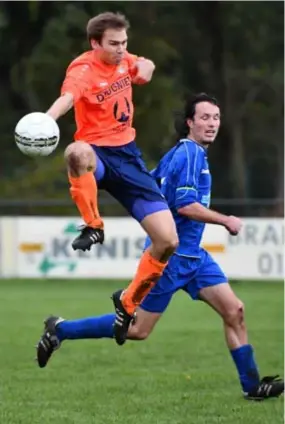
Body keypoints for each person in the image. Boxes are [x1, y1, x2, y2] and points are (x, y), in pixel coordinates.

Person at [36, 93, 284, 401]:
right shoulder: (190, 153)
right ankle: (60, 330)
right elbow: (185, 206)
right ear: (189, 123)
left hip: (195, 257)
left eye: (216, 118)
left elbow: (150, 188)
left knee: (235, 311)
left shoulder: (177, 155)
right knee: (138, 329)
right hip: (170, 258)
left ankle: (252, 385)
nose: (212, 124)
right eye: (204, 118)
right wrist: (226, 220)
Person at [42, 11, 178, 346]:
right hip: (98, 156)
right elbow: (68, 98)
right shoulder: (83, 69)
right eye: (113, 44)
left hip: (129, 158)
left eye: (124, 43)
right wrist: (46, 120)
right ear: (95, 43)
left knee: (168, 241)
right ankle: (93, 225)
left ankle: (128, 302)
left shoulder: (124, 58)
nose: (120, 49)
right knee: (76, 152)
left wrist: (146, 67)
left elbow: (143, 66)